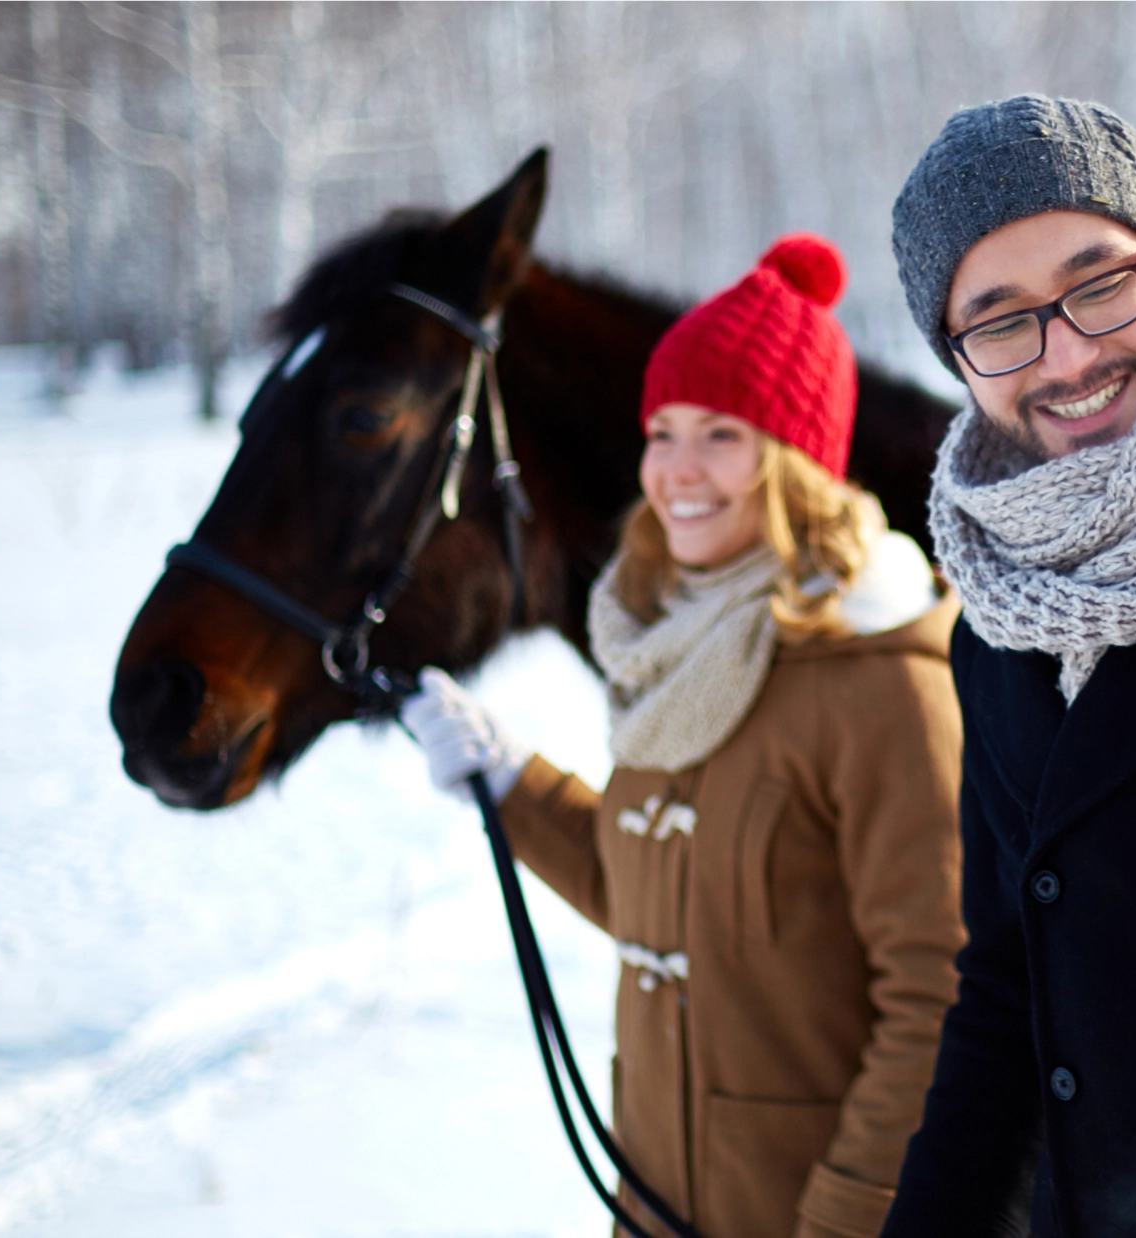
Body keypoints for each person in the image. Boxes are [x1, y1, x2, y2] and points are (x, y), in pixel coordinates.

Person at [401, 234, 966, 1238]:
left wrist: (847, 1218)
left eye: (721, 434)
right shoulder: (676, 648)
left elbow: (938, 996)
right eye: (662, 432)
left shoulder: (882, 677)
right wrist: (510, 779)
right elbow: (660, 896)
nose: (677, 469)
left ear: (794, 458)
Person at [877, 95, 1136, 1238]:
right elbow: (1008, 987)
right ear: (957, 359)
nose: (1068, 354)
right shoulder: (999, 616)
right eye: (1000, 323)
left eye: (1101, 285)